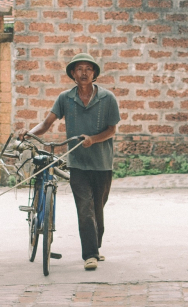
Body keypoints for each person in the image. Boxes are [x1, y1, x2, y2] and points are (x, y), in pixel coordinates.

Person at [17, 53, 120, 271]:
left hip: (102, 164)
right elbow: (46, 124)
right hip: (78, 164)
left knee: (97, 209)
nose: (84, 73)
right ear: (73, 74)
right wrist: (29, 133)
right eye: (79, 69)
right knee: (85, 209)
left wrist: (93, 139)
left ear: (94, 73)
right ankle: (90, 255)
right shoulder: (65, 98)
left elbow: (112, 130)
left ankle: (96, 247)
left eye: (88, 69)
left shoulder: (108, 98)